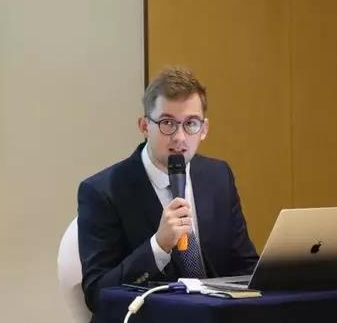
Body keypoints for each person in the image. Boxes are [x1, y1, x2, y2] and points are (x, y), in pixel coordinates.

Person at [77, 66, 259, 314]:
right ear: (144, 126)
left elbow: (244, 266)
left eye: (190, 124)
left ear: (204, 129)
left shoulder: (218, 176)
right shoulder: (102, 191)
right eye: (167, 123)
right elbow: (98, 294)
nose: (180, 137)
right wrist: (158, 246)